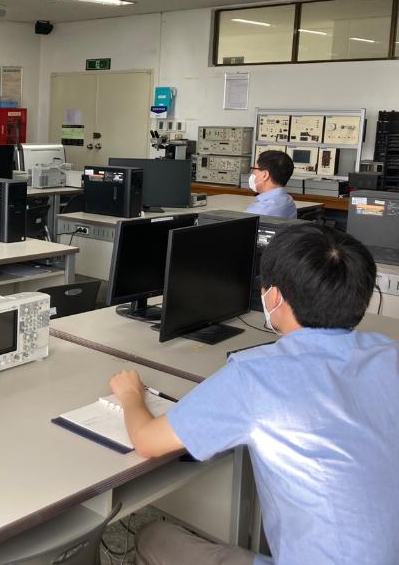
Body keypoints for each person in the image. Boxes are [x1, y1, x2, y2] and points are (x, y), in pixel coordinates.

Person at [108, 224, 399, 565]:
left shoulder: (257, 374)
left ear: (273, 297)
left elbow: (148, 442)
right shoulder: (389, 354)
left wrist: (131, 394)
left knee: (154, 537)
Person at [245, 150, 297, 219]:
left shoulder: (260, 210)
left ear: (265, 175)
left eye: (254, 169)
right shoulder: (288, 200)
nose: (253, 172)